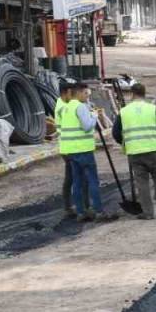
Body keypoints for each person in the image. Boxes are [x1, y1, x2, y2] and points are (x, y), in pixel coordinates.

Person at [113, 83, 156, 220]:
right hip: (154, 150)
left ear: (132, 94)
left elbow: (116, 133)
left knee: (142, 183)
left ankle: (147, 213)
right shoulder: (152, 109)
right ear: (144, 93)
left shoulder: (124, 111)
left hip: (135, 152)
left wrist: (126, 143)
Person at [60, 83, 117, 222]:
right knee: (92, 181)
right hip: (83, 150)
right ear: (78, 93)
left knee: (77, 182)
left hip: (71, 151)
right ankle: (98, 211)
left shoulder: (65, 108)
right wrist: (94, 116)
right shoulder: (80, 107)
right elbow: (87, 126)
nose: (87, 97)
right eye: (86, 94)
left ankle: (81, 212)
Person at [51, 79, 79, 218]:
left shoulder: (62, 104)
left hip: (67, 147)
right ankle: (71, 207)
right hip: (69, 148)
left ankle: (69, 206)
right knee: (73, 178)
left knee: (71, 177)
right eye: (72, 93)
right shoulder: (63, 107)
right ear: (67, 92)